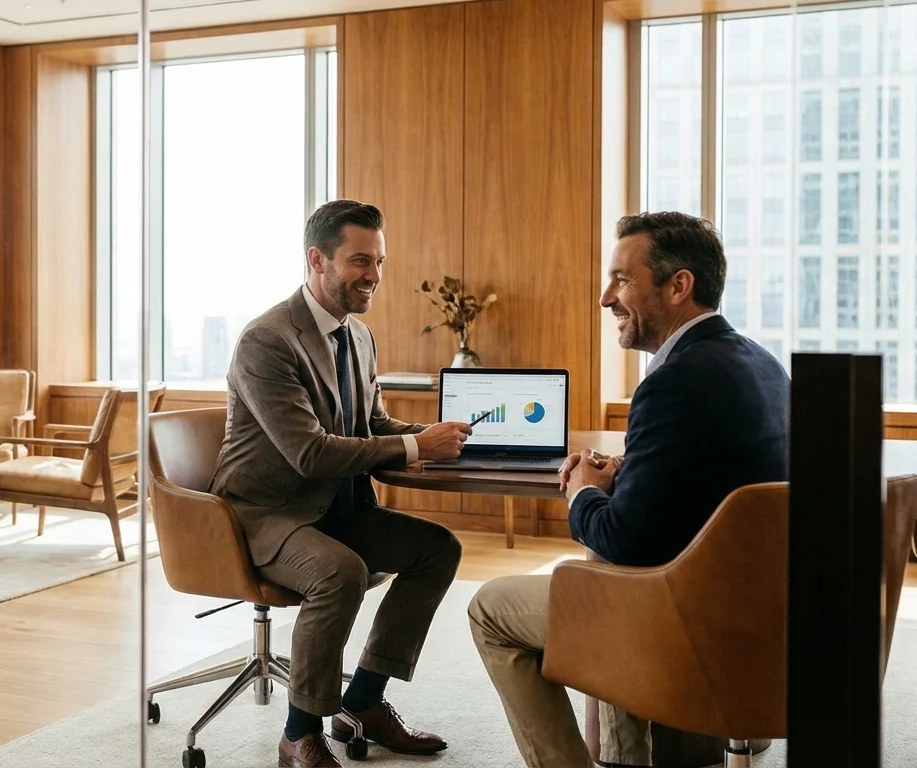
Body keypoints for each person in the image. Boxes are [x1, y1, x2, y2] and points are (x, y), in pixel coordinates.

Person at [467, 211, 791, 767]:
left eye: (621, 279)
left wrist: (582, 490)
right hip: (766, 616)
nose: (605, 299)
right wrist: (632, 469)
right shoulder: (763, 365)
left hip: (689, 624)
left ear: (679, 285)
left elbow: (623, 539)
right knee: (605, 574)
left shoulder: (672, 383)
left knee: (490, 608)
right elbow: (713, 484)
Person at [211, 199, 474, 767]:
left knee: (438, 549)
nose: (374, 275)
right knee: (340, 572)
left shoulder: (358, 336)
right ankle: (299, 734)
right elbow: (309, 453)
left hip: (337, 510)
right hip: (266, 514)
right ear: (317, 259)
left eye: (379, 262)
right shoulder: (267, 340)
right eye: (360, 261)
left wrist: (435, 436)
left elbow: (371, 424)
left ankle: (365, 703)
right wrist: (416, 447)